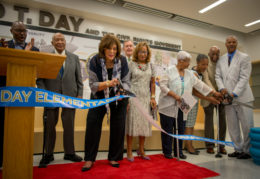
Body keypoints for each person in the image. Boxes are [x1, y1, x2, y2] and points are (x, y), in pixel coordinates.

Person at [158, 51, 220, 160]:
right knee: (168, 129)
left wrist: (214, 93)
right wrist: (174, 95)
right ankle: (167, 152)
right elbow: (162, 86)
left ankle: (179, 151)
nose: (188, 64)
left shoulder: (189, 74)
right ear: (180, 61)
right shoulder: (169, 71)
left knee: (181, 128)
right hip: (167, 105)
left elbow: (200, 85)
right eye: (187, 62)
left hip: (184, 103)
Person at [82, 34, 130, 171]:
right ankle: (89, 159)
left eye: (115, 49)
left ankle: (114, 157)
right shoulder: (94, 61)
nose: (112, 52)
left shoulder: (123, 61)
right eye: (109, 49)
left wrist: (122, 91)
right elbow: (93, 85)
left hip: (118, 99)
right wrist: (108, 83)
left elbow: (126, 82)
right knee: (92, 126)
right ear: (103, 49)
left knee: (118, 127)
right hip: (98, 98)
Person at [36, 33, 83, 166]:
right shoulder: (46, 57)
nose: (60, 42)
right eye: (57, 40)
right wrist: (45, 94)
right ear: (52, 43)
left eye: (62, 39)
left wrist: (79, 94)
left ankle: (70, 153)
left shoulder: (74, 58)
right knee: (49, 127)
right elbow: (40, 79)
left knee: (69, 126)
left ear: (65, 42)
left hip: (70, 96)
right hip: (51, 97)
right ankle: (48, 154)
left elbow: (79, 79)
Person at [0, 21, 39, 167]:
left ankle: (21, 159)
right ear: (11, 31)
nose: (22, 34)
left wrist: (26, 55)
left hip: (25, 97)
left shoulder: (34, 49)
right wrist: (4, 54)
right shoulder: (3, 47)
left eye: (24, 31)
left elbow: (38, 71)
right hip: (5, 96)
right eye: (18, 31)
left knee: (22, 131)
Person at [215, 35, 254, 159]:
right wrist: (222, 88)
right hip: (227, 99)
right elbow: (217, 76)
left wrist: (234, 93)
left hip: (242, 97)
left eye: (233, 42)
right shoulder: (221, 59)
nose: (231, 44)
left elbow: (244, 77)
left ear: (236, 43)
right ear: (225, 44)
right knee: (232, 126)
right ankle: (238, 149)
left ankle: (247, 151)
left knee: (247, 125)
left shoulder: (244, 57)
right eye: (229, 42)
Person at [125, 42, 157, 162]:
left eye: (144, 52)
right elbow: (126, 82)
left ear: (147, 53)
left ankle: (141, 150)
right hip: (133, 97)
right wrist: (127, 99)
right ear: (136, 52)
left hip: (146, 98)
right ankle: (129, 151)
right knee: (132, 123)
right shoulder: (131, 64)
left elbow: (152, 82)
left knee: (144, 124)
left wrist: (153, 97)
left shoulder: (151, 66)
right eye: (140, 51)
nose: (142, 54)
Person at [185, 54, 220, 155]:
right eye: (203, 64)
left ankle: (189, 144)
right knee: (188, 124)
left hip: (193, 100)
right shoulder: (193, 73)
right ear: (197, 63)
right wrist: (210, 98)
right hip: (188, 99)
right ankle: (189, 146)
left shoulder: (201, 73)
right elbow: (194, 92)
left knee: (190, 124)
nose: (205, 66)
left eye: (207, 64)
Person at [201, 46, 227, 154]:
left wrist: (221, 92)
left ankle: (221, 146)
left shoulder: (223, 63)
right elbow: (206, 79)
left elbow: (226, 78)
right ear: (209, 53)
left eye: (217, 54)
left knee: (222, 121)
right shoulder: (205, 63)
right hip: (209, 96)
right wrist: (214, 93)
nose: (215, 56)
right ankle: (210, 145)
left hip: (221, 95)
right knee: (209, 121)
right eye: (213, 54)